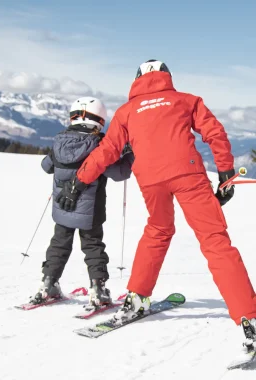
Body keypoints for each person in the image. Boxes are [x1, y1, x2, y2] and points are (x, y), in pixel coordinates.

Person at [55, 60, 256, 342]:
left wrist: (79, 181)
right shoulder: (187, 100)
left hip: (150, 179)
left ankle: (136, 298)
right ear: (167, 77)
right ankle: (250, 319)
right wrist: (226, 175)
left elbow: (107, 152)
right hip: (188, 175)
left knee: (158, 230)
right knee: (214, 240)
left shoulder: (127, 111)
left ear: (137, 80)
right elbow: (215, 134)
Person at [31, 96, 134, 307]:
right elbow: (120, 173)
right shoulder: (99, 146)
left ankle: (48, 283)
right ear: (100, 119)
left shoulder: (60, 141)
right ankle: (98, 290)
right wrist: (129, 155)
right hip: (91, 211)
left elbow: (46, 166)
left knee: (59, 245)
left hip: (62, 208)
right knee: (93, 246)